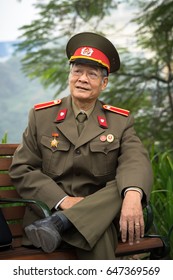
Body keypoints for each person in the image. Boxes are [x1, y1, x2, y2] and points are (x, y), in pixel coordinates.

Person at [9, 32, 153, 260]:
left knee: (125, 185)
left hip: (55, 227)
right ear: (70, 76)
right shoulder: (42, 116)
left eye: (92, 74)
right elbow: (21, 169)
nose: (82, 79)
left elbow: (136, 160)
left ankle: (61, 224)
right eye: (77, 71)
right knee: (100, 229)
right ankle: (62, 219)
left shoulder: (119, 121)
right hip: (50, 211)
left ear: (104, 83)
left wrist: (134, 195)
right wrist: (63, 201)